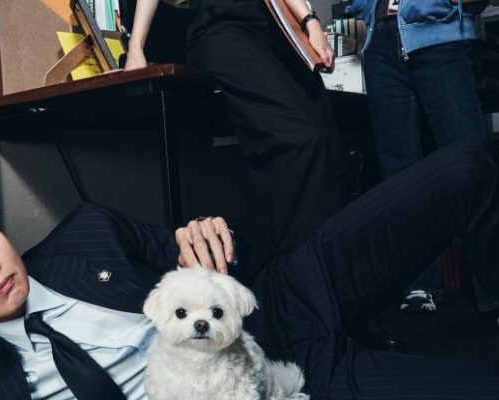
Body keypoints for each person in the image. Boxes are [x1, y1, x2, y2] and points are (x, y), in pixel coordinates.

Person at [0, 141, 499, 399]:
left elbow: (213, 258)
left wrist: (207, 234)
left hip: (288, 298)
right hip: (293, 382)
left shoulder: (88, 234)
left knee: (469, 168)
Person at [125, 0, 347, 272]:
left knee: (328, 147)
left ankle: (333, 273)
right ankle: (298, 275)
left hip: (279, 28)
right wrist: (136, 47)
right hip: (224, 23)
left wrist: (308, 21)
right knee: (298, 140)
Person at [348, 0, 499, 317]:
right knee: (399, 173)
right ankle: (419, 284)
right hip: (379, 44)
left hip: (438, 38)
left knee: (471, 161)